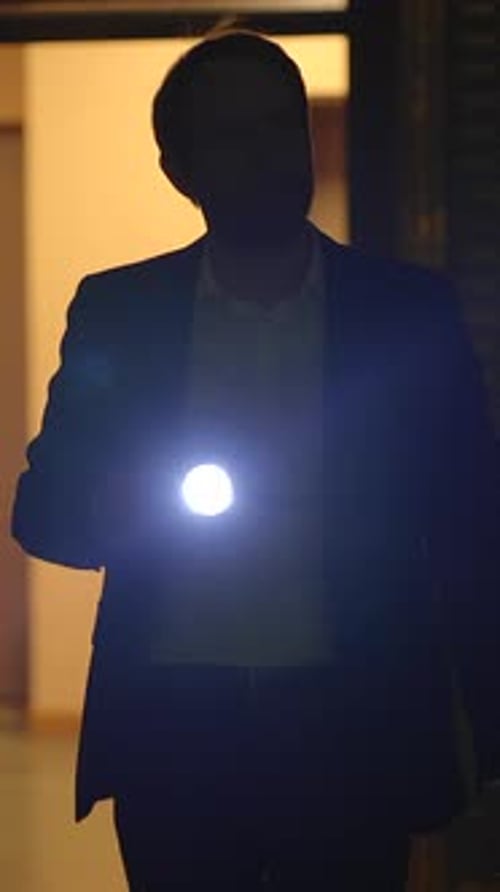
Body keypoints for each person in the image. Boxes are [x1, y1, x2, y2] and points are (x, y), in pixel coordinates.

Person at [11, 29, 499, 892]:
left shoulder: (405, 313)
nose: (269, 154)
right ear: (180, 167)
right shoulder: (121, 310)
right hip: (177, 732)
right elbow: (43, 511)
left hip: (351, 726)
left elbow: (472, 520)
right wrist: (119, 504)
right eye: (235, 136)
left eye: (282, 127)